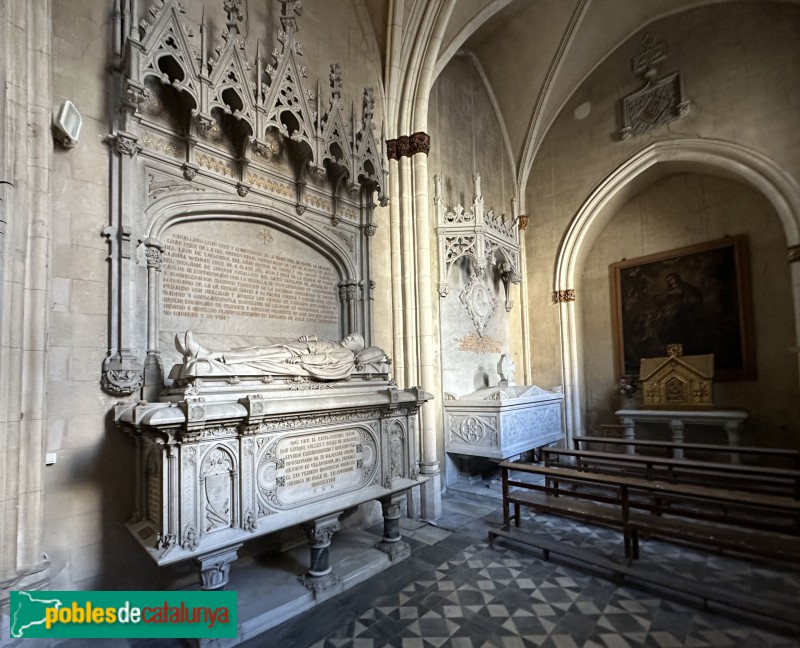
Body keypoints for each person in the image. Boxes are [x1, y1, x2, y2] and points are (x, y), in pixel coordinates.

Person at [174, 331, 389, 380]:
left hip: (296, 357)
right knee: (253, 351)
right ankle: (205, 354)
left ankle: (206, 355)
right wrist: (310, 338)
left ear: (355, 348)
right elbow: (322, 346)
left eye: (352, 340)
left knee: (257, 354)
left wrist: (303, 359)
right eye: (349, 336)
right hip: (296, 349)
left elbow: (325, 360)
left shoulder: (346, 356)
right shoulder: (334, 343)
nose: (348, 338)